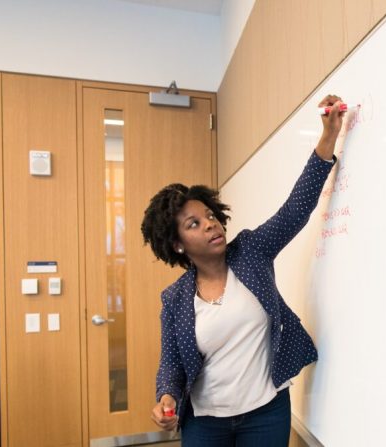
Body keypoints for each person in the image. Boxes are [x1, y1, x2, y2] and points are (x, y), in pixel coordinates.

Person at [140, 95, 346, 446]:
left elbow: (295, 210)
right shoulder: (174, 298)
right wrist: (166, 398)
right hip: (205, 423)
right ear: (177, 244)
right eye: (194, 223)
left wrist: (328, 137)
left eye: (209, 215)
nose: (209, 225)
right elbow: (171, 364)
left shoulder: (251, 251)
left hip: (266, 411)